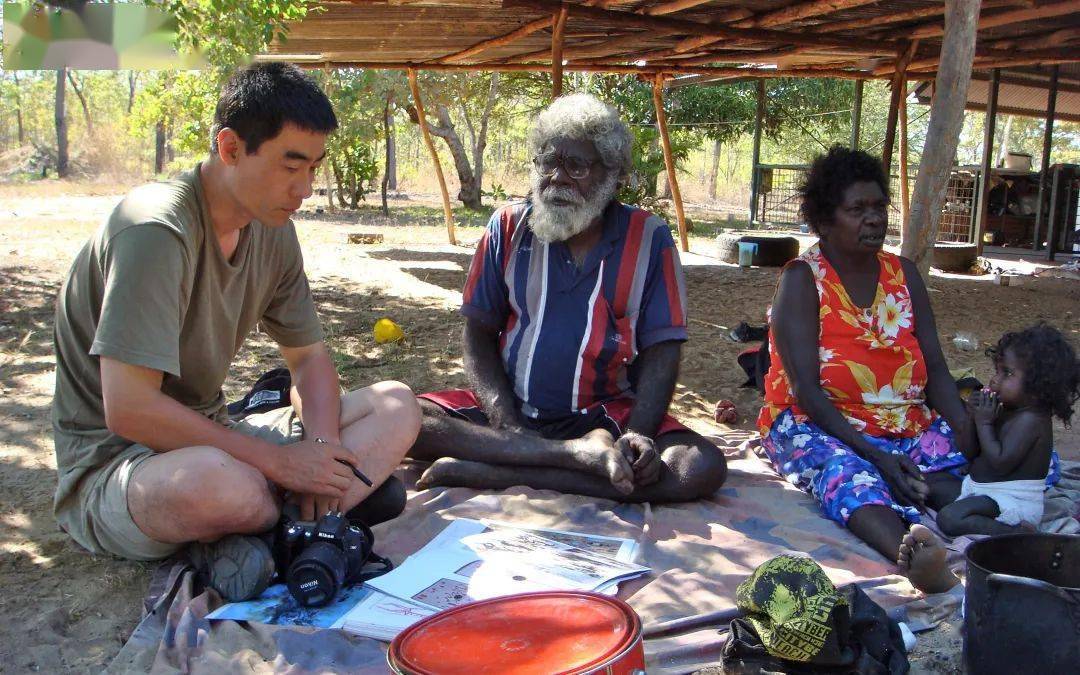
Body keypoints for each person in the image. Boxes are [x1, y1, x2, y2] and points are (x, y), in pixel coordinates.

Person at [51, 63, 421, 601]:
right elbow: (128, 408)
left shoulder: (272, 230)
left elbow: (309, 360)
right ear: (229, 148)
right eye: (290, 166)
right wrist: (281, 464)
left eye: (314, 168)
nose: (305, 189)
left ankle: (278, 526)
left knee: (397, 405)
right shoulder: (155, 230)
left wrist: (322, 450)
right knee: (219, 486)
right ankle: (302, 518)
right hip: (121, 465)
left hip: (215, 435)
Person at [409, 93, 727, 502]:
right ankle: (572, 460)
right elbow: (477, 333)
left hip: (606, 416)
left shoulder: (649, 238)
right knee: (407, 420)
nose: (556, 177)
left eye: (575, 165)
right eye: (547, 162)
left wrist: (639, 436)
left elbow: (663, 349)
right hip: (513, 413)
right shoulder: (508, 226)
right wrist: (506, 425)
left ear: (612, 176)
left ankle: (499, 473)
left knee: (699, 466)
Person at [758, 146, 972, 594]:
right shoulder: (803, 280)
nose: (873, 219)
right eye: (857, 209)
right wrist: (877, 456)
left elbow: (934, 367)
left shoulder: (904, 275)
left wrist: (969, 435)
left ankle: (951, 505)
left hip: (902, 422)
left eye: (878, 207)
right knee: (843, 471)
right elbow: (806, 392)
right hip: (819, 421)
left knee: (984, 450)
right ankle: (912, 555)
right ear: (825, 219)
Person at [937, 323, 1078, 535]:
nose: (994, 379)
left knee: (948, 519)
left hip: (1012, 501)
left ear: (1038, 384)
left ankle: (1020, 535)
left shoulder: (1032, 420)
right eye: (997, 371)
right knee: (933, 485)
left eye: (1007, 373)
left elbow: (1000, 462)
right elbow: (970, 453)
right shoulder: (1006, 407)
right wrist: (971, 416)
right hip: (981, 490)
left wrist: (984, 423)